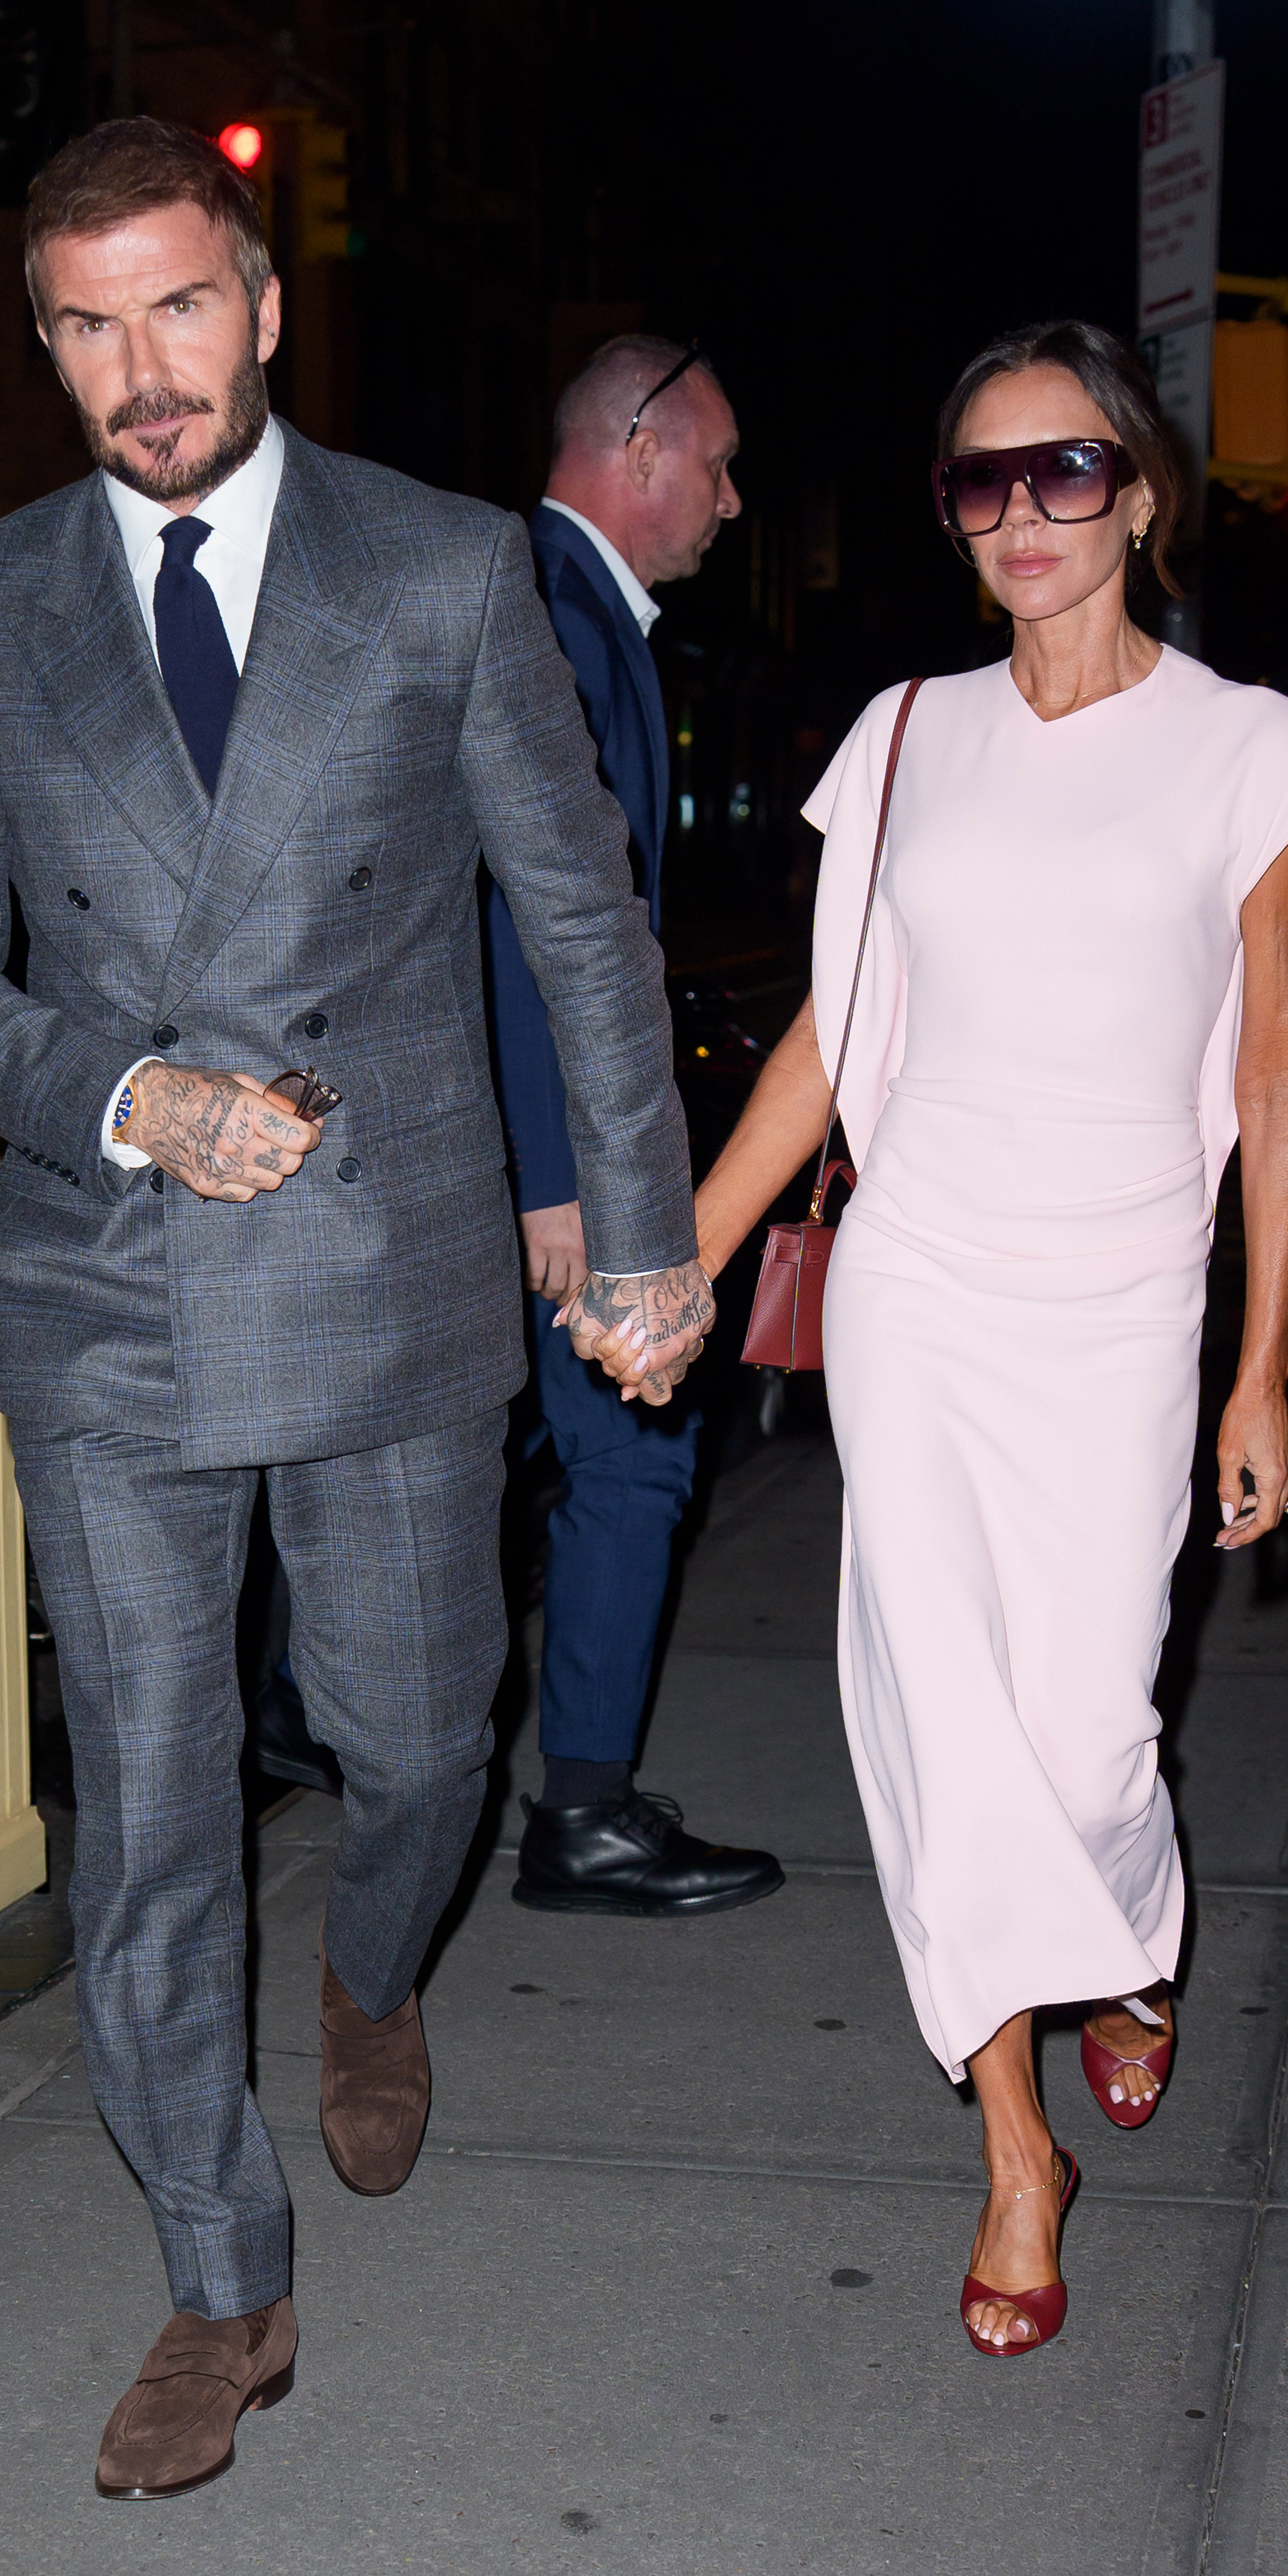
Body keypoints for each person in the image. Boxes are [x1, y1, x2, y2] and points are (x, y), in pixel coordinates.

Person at [0, 116, 712, 2500]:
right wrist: (118, 1087)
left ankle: (369, 1972)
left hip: (388, 1279)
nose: (144, 370)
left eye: (180, 308)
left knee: (418, 1738)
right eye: (87, 327)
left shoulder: (440, 572)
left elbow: (575, 920)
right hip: (112, 1294)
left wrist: (636, 1235)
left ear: (258, 302)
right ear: (43, 346)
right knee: (144, 1820)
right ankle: (223, 2289)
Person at [688, 321, 1288, 2358]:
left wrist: (1259, 1367)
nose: (1019, 517)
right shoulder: (900, 736)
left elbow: (1277, 1072)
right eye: (977, 482)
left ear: (1140, 492)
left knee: (1084, 1725)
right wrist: (694, 1252)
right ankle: (1012, 2148)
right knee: (941, 1721)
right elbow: (831, 1030)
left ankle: (1127, 1939)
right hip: (919, 1286)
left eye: (1061, 472)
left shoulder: (1252, 753)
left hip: (1125, 1286)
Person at [483, 334, 781, 1917]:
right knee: (637, 1451)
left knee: (506, 1455)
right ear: (645, 447)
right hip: (556, 1158)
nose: (733, 504)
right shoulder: (553, 612)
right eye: (721, 466)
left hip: (532, 1150)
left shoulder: (553, 601)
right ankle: (580, 1811)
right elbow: (537, 921)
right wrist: (560, 1183)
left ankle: (319, 1719)